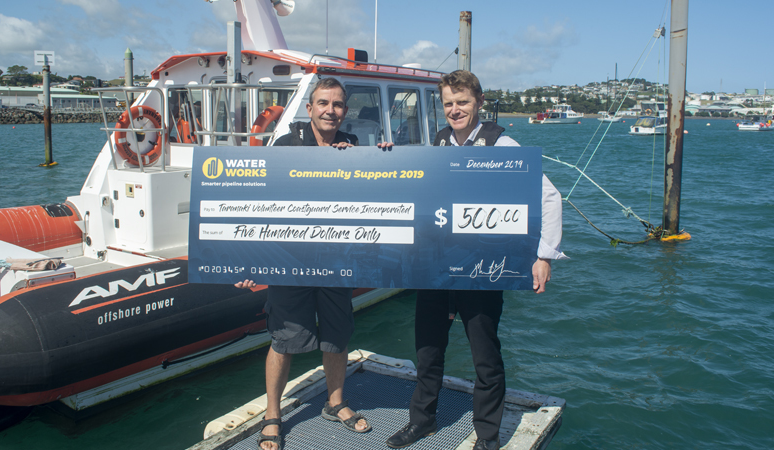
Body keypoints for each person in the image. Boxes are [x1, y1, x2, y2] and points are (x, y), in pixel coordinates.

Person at [386, 70, 567, 450]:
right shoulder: (437, 145)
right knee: (428, 350)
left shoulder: (503, 146)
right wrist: (386, 159)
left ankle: (487, 436)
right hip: (437, 270)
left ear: (479, 102)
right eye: (448, 103)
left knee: (485, 356)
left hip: (482, 271)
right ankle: (422, 421)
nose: (455, 110)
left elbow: (549, 198)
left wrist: (543, 255)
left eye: (462, 102)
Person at [237, 76, 392, 450]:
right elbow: (258, 204)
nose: (331, 111)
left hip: (336, 260)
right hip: (290, 260)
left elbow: (374, 196)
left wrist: (385, 158)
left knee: (337, 335)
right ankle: (272, 414)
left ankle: (335, 402)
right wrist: (247, 259)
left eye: (338, 105)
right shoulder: (285, 147)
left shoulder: (354, 147)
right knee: (284, 339)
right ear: (310, 108)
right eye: (323, 103)